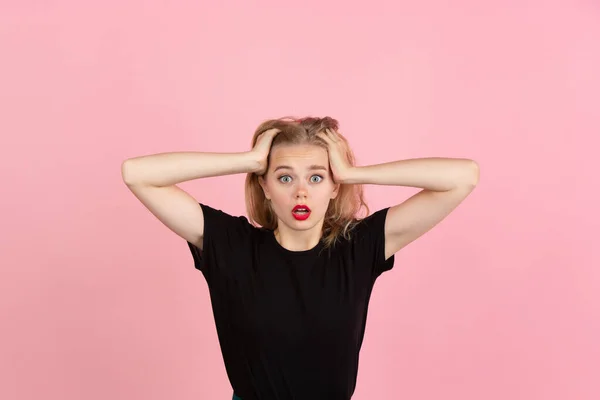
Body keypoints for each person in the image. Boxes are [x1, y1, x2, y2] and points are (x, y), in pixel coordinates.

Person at [121, 116, 480, 400]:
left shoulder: (358, 247)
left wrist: (354, 173)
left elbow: (463, 177)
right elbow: (137, 174)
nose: (301, 191)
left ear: (333, 185)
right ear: (264, 185)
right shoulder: (231, 245)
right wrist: (247, 161)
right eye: (284, 177)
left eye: (317, 176)